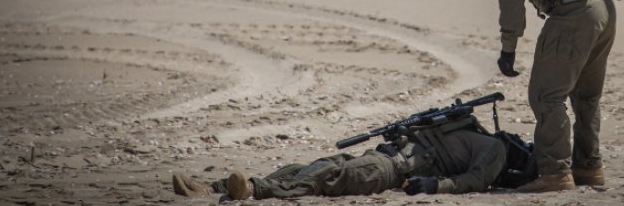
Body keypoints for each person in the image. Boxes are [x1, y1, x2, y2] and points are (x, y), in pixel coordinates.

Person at [459, 0, 616, 193]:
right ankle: (589, 167)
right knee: (586, 97)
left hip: (574, 16)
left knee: (546, 96)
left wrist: (508, 48)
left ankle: (555, 174)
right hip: (604, 6)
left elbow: (511, 0)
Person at [172, 114, 513, 200]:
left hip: (394, 169)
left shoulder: (494, 150)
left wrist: (434, 186)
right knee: (314, 166)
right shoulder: (469, 124)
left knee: (327, 178)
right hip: (387, 154)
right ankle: (212, 188)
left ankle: (253, 191)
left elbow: (475, 181)